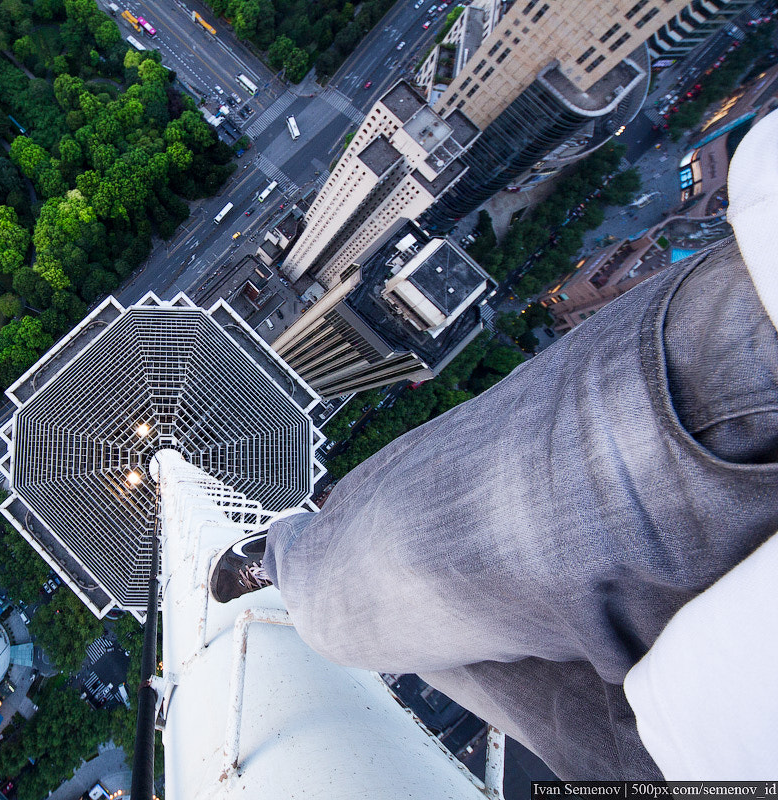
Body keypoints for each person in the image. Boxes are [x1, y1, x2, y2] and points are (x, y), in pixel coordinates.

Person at [210, 112, 778, 779]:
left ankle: (303, 566)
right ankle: (290, 559)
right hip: (751, 380)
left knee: (430, 644)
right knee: (347, 602)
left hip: (689, 762)